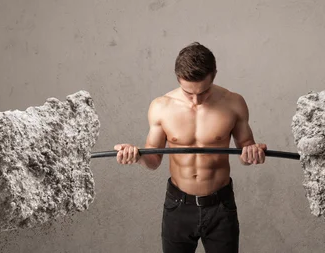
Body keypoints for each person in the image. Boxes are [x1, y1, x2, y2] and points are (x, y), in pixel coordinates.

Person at [114, 42, 266, 253]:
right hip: (178, 206)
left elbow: (245, 151)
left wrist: (252, 153)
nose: (195, 100)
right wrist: (136, 156)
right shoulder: (161, 107)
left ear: (214, 75)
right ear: (178, 78)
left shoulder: (234, 103)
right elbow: (153, 160)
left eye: (202, 92)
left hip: (220, 205)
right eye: (188, 93)